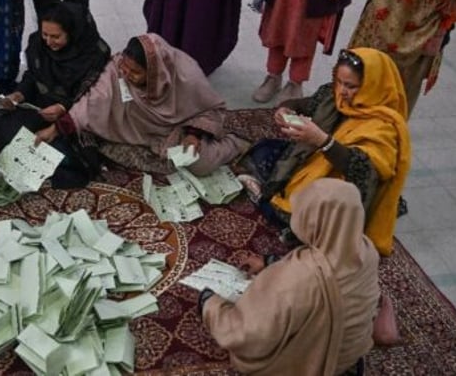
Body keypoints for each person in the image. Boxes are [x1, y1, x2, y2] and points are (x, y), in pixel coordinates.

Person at [200, 179, 380, 376]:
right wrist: (270, 262)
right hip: (351, 358)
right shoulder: (366, 248)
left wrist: (211, 305)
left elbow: (247, 335)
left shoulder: (298, 274)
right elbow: (332, 267)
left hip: (312, 365)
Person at [242, 47, 410, 256]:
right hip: (313, 162)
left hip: (340, 188)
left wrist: (322, 141)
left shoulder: (383, 126)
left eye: (350, 86)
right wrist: (286, 107)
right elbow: (307, 104)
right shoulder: (334, 96)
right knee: (263, 150)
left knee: (305, 217)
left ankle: (295, 227)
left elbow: (363, 172)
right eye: (339, 82)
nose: (342, 91)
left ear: (371, 85)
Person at [36, 34, 248, 177]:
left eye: (135, 72)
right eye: (125, 68)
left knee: (199, 164)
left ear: (156, 73)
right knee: (95, 136)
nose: (127, 75)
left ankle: (234, 146)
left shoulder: (187, 76)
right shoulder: (118, 68)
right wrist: (56, 128)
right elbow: (93, 101)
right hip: (138, 128)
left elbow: (210, 110)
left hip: (178, 129)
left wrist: (193, 134)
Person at [0, 3, 111, 187]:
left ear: (73, 32)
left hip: (78, 115)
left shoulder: (94, 54)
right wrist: (19, 94)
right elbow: (32, 75)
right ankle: (44, 160)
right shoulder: (37, 43)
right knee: (3, 131)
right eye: (45, 34)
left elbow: (93, 96)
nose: (48, 42)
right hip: (42, 105)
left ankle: (56, 161)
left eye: (56, 36)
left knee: (77, 158)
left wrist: (64, 108)